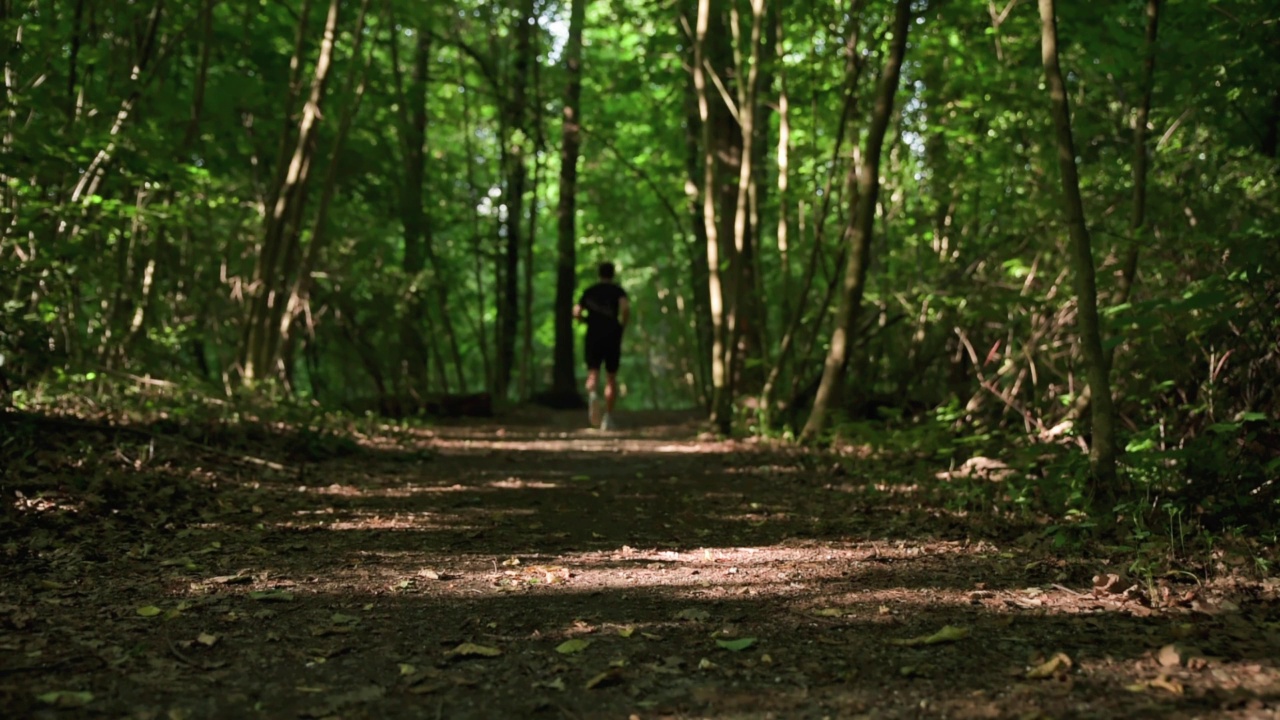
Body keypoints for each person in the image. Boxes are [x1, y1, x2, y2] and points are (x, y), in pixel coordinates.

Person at [573, 262, 630, 430]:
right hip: (612, 334)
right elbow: (625, 308)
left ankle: (592, 395)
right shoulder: (618, 291)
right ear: (612, 274)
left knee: (593, 372)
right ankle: (608, 417)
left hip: (593, 335)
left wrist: (584, 320)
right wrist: (622, 325)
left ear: (599, 274)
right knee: (611, 377)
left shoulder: (589, 291)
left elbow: (576, 312)